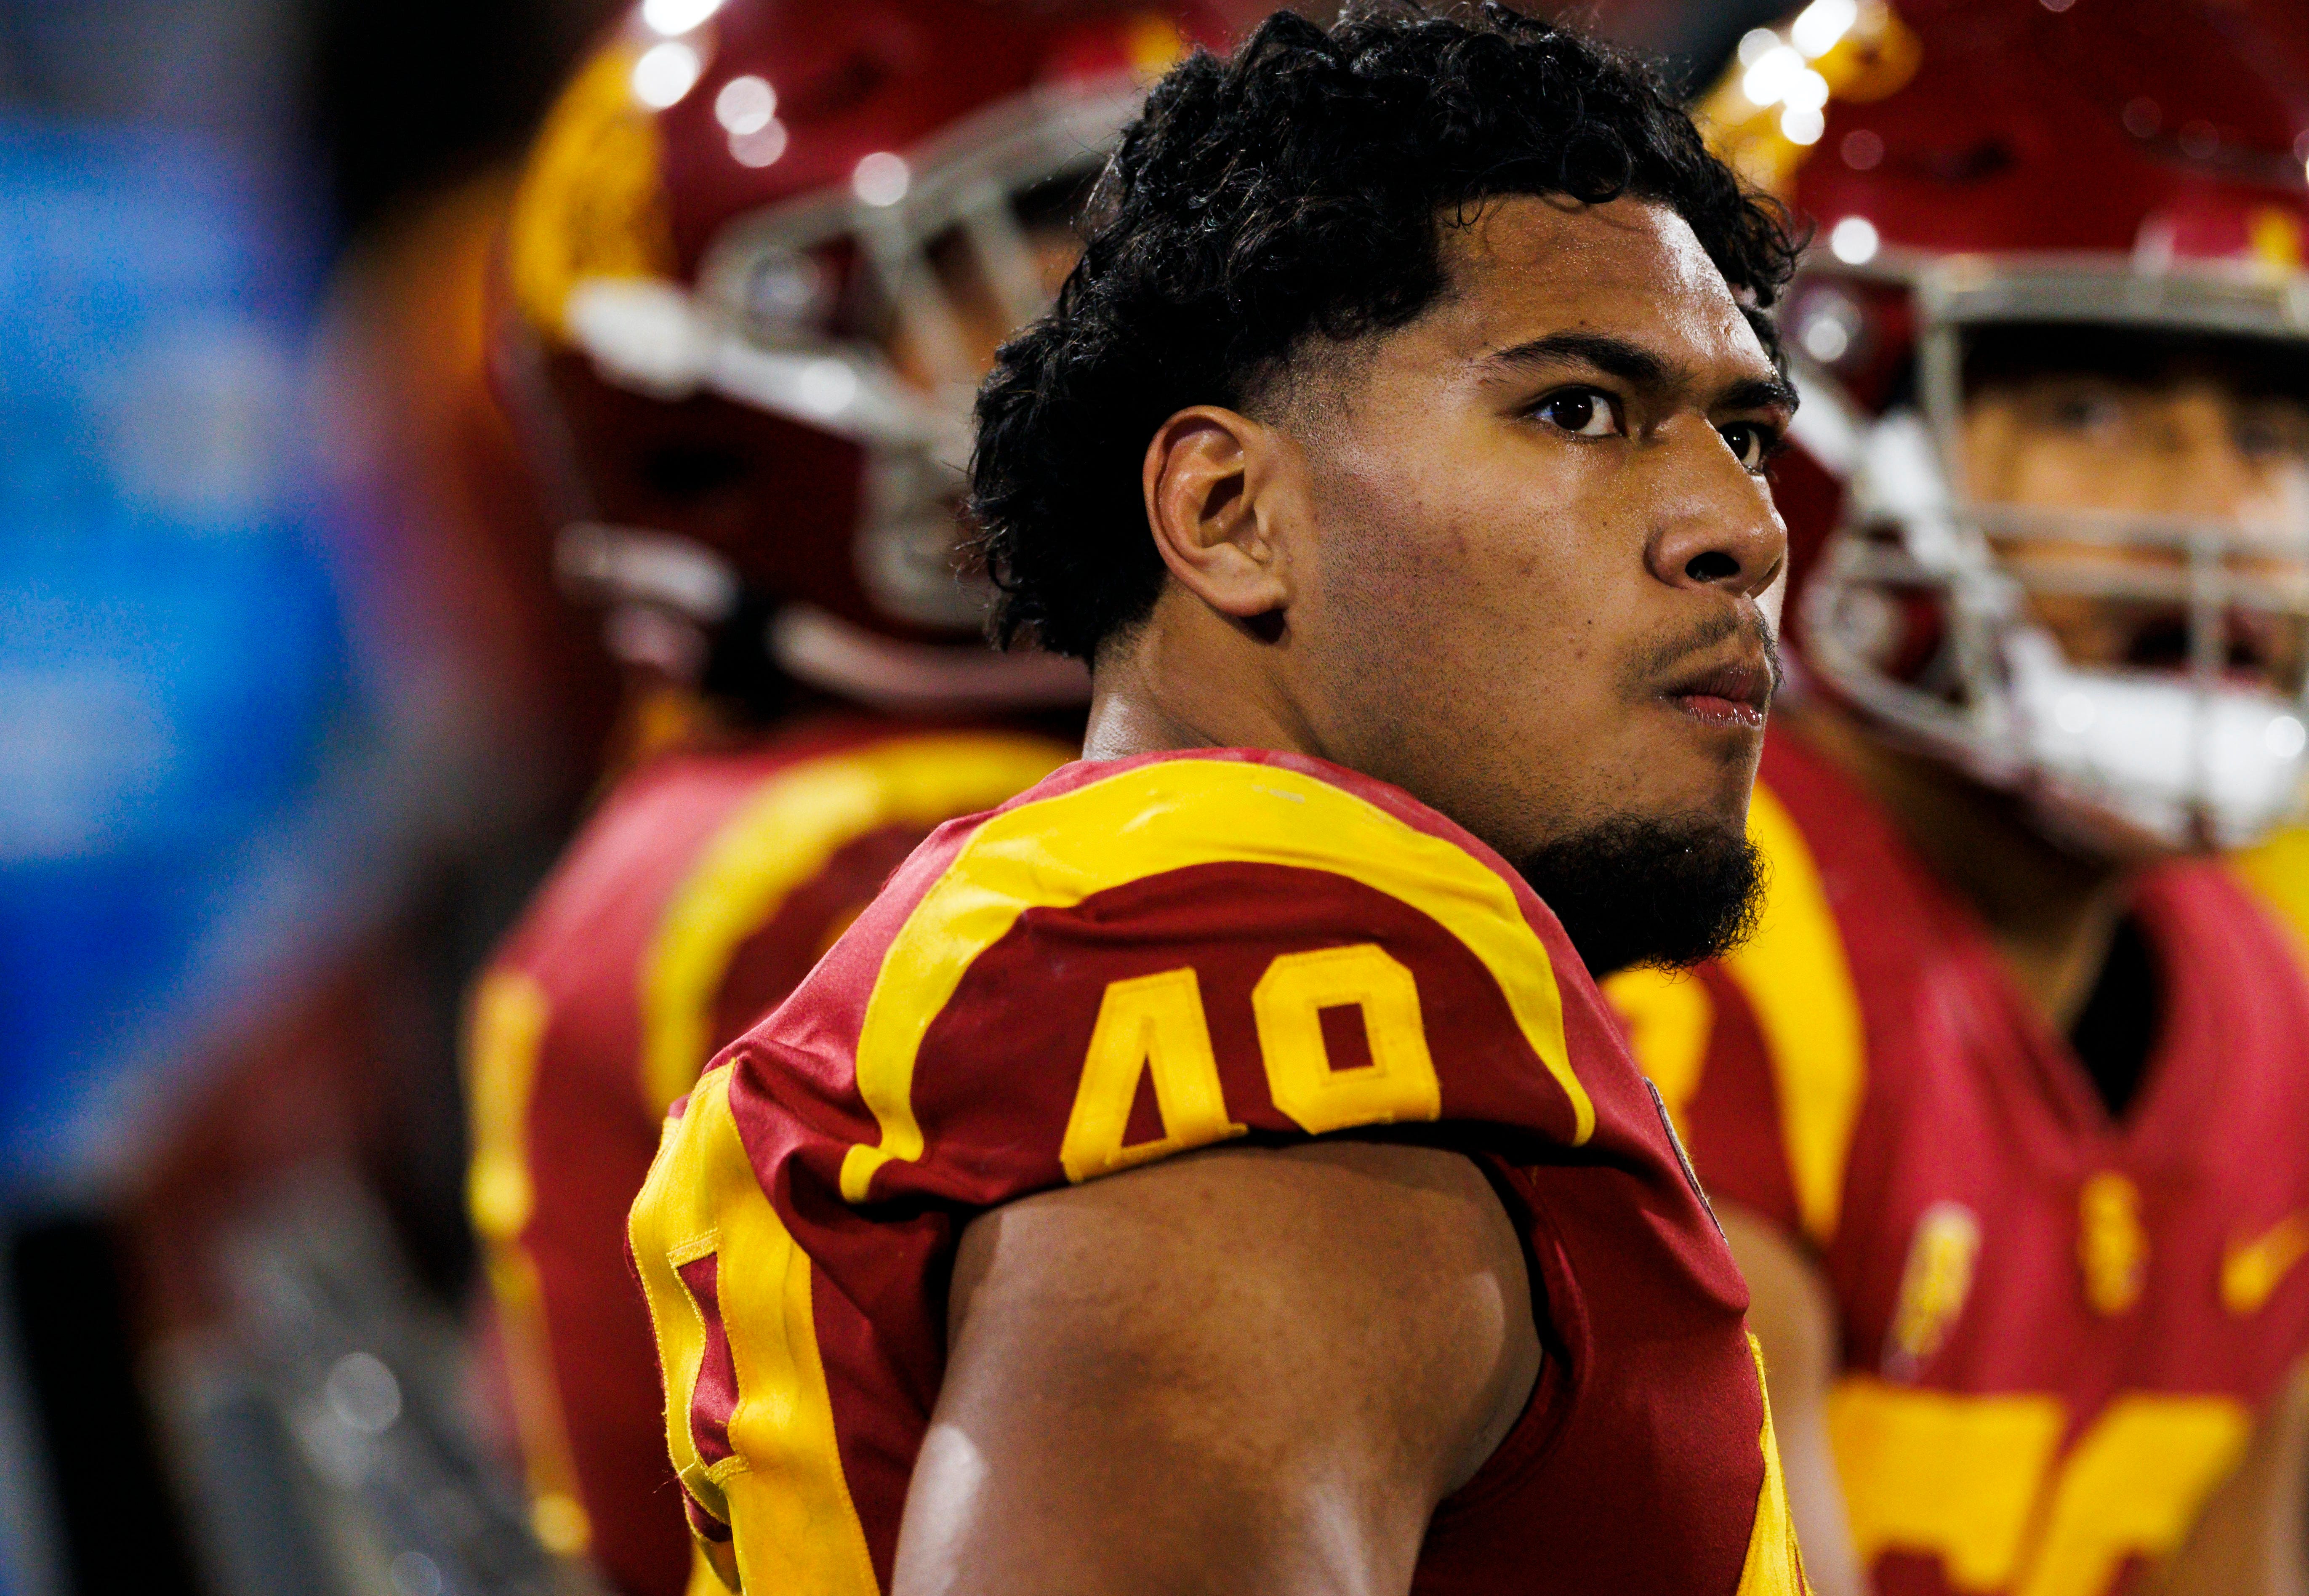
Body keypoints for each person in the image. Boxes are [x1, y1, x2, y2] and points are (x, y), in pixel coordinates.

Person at [626, 7, 1816, 1593]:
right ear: (1228, 511)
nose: (1741, 527)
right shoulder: (1282, 1010)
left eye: (1741, 433)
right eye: (1578, 410)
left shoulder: (1177, 946)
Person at [461, 5, 1229, 1592]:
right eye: (1043, 272)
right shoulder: (887, 879)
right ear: (729, 400)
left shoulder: (754, 798)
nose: (1187, 348)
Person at [1604, 1, 2309, 1593]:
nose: (2223, 510)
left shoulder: (2266, 1006)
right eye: (2089, 410)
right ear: (1814, 440)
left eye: (2273, 422)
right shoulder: (1700, 933)